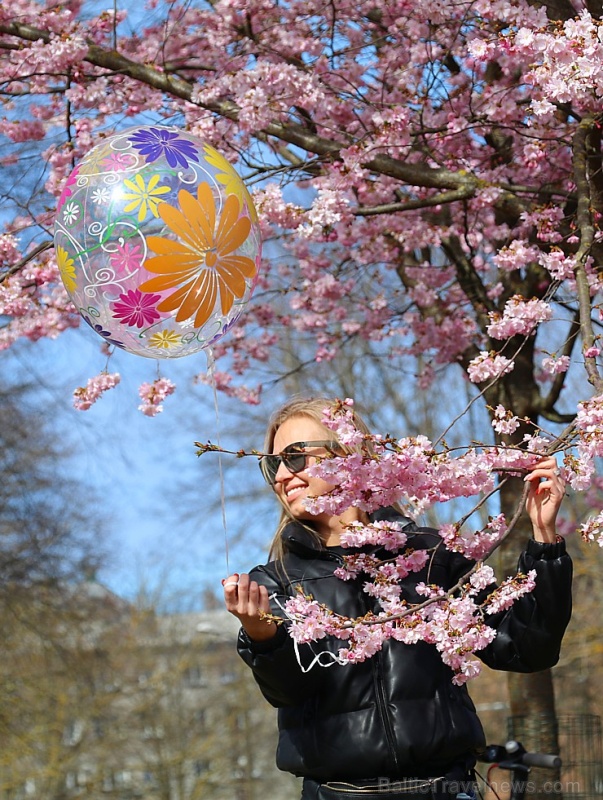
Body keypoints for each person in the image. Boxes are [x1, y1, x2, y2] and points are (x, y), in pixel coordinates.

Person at [223, 397, 572, 800]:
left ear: (349, 456)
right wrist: (263, 637)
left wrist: (545, 542)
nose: (283, 475)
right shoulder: (277, 580)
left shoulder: (429, 555)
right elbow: (290, 691)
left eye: (295, 457)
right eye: (273, 465)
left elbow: (528, 649)